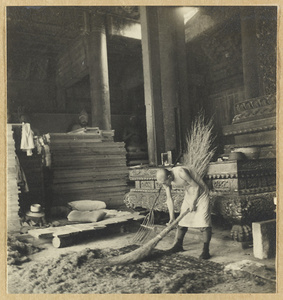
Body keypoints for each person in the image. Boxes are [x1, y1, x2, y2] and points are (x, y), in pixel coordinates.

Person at [156, 166, 212, 259]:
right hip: (189, 194)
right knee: (182, 222)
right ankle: (178, 246)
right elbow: (169, 199)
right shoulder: (165, 180)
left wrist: (193, 202)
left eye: (164, 182)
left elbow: (197, 187)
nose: (164, 184)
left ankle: (206, 251)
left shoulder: (181, 172)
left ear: (169, 177)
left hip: (201, 193)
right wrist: (172, 218)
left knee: (204, 223)